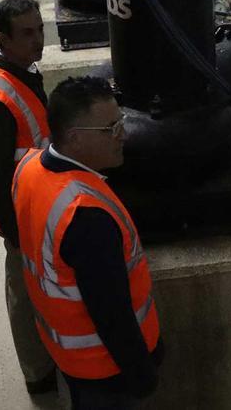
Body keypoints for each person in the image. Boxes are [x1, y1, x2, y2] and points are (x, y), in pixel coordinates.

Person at [13, 76, 162, 408]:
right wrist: (142, 375)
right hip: (106, 372)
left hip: (68, 358)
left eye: (120, 121)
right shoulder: (86, 218)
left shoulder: (29, 168)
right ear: (75, 139)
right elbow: (112, 314)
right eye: (111, 128)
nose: (122, 134)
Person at [0, 0, 56, 395]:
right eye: (27, 33)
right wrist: (15, 233)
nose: (38, 40)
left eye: (39, 29)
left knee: (41, 292)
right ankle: (37, 375)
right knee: (25, 294)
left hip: (39, 205)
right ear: (2, 38)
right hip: (23, 218)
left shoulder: (22, 69)